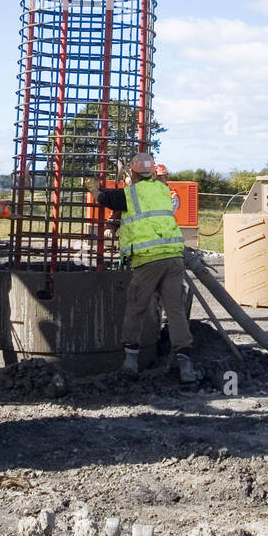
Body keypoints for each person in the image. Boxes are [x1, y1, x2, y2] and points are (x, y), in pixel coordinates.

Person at [89, 152, 195, 384]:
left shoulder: (130, 194)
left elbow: (104, 199)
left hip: (148, 259)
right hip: (174, 257)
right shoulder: (163, 191)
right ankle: (186, 366)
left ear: (133, 173)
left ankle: (131, 362)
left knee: (136, 307)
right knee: (175, 311)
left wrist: (91, 188)